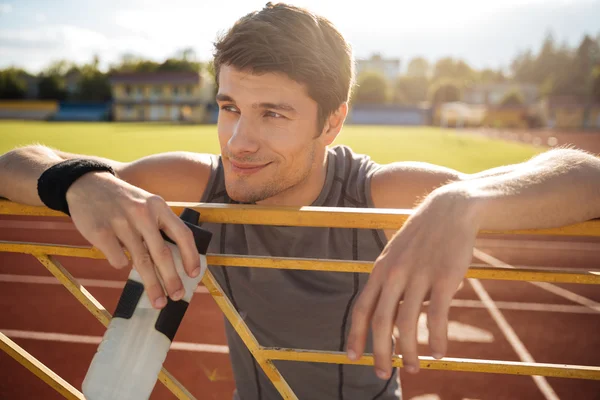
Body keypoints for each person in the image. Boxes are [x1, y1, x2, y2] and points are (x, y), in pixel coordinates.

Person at [1, 3, 599, 399]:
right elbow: (15, 163)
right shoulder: (202, 182)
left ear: (332, 123)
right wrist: (80, 179)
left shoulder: (376, 192)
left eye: (273, 114)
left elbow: (584, 174)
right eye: (229, 106)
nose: (238, 142)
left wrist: (463, 200)